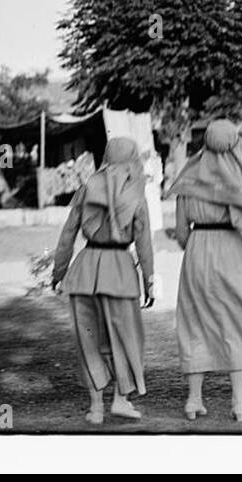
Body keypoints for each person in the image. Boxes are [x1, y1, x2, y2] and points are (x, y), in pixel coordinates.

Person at [167, 120, 242, 422]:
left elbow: (180, 232)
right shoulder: (237, 182)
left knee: (195, 322)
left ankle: (193, 400)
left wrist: (196, 248)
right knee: (237, 321)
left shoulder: (189, 178)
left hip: (197, 251)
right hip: (231, 251)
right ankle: (238, 402)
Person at [50, 136, 156, 425]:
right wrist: (149, 279)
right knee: (124, 338)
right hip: (120, 271)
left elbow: (68, 235)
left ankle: (96, 407)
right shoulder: (136, 195)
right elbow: (144, 242)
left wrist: (58, 272)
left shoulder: (86, 188)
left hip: (85, 270)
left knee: (89, 339)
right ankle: (121, 400)